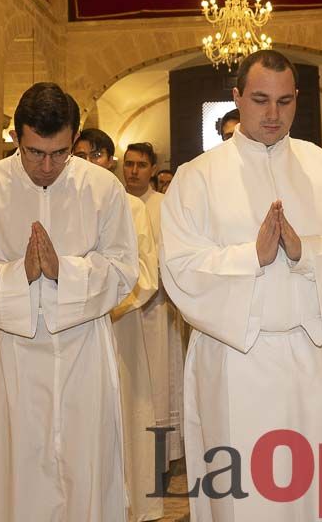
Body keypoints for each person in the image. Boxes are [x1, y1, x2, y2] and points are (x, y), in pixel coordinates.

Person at [160, 50, 322, 521]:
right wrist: (252, 258)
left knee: (319, 495)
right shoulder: (196, 177)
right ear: (237, 97)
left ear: (297, 99)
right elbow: (179, 267)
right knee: (243, 501)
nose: (273, 115)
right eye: (260, 100)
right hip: (234, 363)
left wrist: (306, 253)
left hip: (312, 355)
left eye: (284, 102)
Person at [0, 83, 138, 521]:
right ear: (15, 136)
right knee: (21, 463)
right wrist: (20, 274)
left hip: (84, 346)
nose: (47, 166)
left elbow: (125, 270)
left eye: (60, 153)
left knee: (86, 460)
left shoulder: (103, 189)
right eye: (34, 152)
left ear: (74, 140)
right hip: (15, 352)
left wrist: (63, 271)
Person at [72, 129, 164, 522]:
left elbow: (145, 272)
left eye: (92, 155)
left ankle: (126, 505)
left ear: (106, 158)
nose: (82, 163)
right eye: (76, 155)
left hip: (115, 327)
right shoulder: (61, 202)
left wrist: (104, 307)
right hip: (71, 331)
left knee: (123, 418)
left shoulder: (131, 206)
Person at [123, 142, 185, 467]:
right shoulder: (114, 202)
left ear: (152, 169)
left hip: (157, 307)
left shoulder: (164, 205)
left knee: (159, 382)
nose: (134, 171)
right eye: (129, 164)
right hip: (120, 310)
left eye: (141, 165)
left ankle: (159, 458)